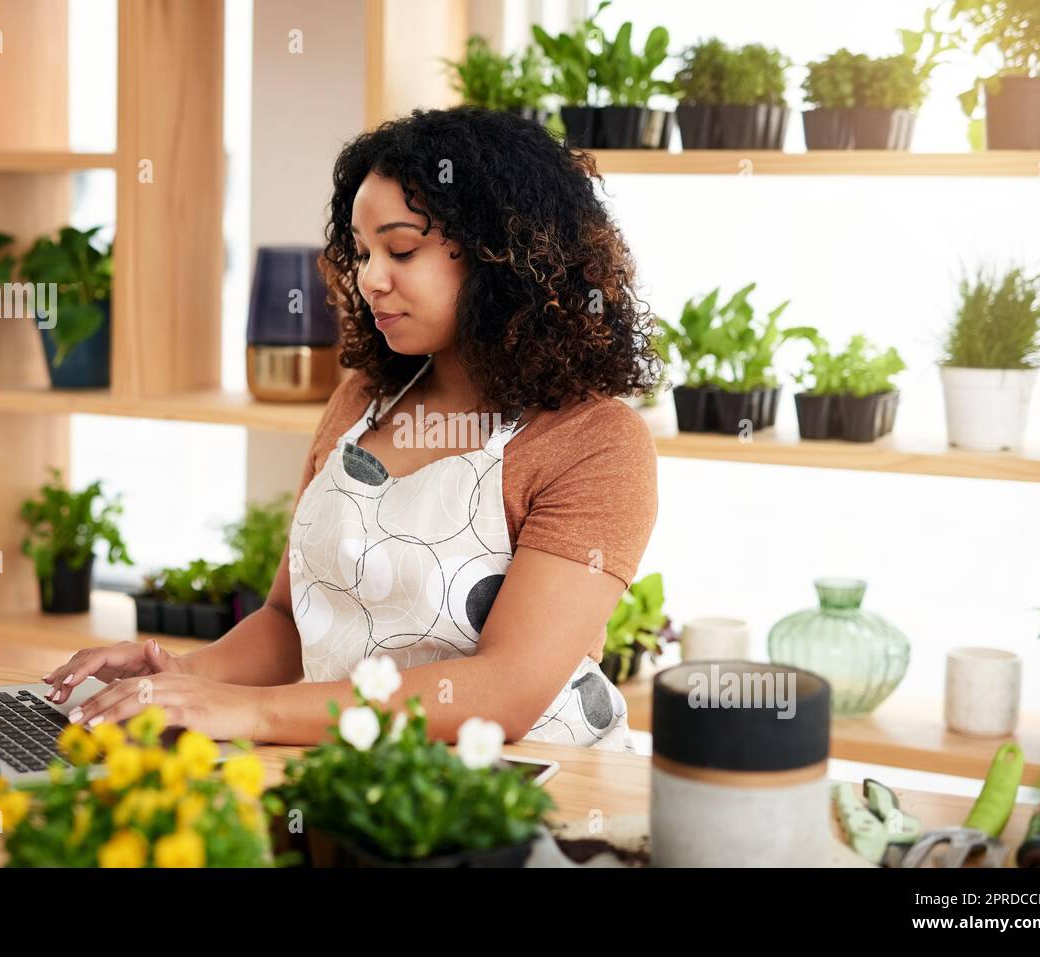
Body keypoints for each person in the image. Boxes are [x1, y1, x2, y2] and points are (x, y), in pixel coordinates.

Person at [43, 106, 660, 751]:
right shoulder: (363, 401)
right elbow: (287, 623)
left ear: (502, 257)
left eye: (401, 249)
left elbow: (501, 692)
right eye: (362, 252)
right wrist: (176, 678)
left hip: (524, 786)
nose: (368, 278)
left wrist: (251, 714)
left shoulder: (596, 443)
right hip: (353, 770)